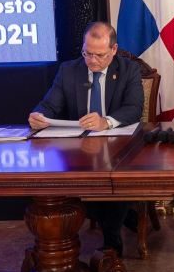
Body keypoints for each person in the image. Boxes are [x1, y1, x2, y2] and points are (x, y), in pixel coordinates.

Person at [28, 21, 143, 256]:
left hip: (118, 145)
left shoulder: (128, 69)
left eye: (99, 55)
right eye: (87, 53)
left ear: (113, 49)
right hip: (79, 148)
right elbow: (49, 105)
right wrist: (39, 115)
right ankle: (120, 218)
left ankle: (112, 242)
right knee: (75, 178)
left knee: (113, 177)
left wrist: (106, 121)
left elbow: (134, 108)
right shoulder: (69, 70)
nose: (92, 60)